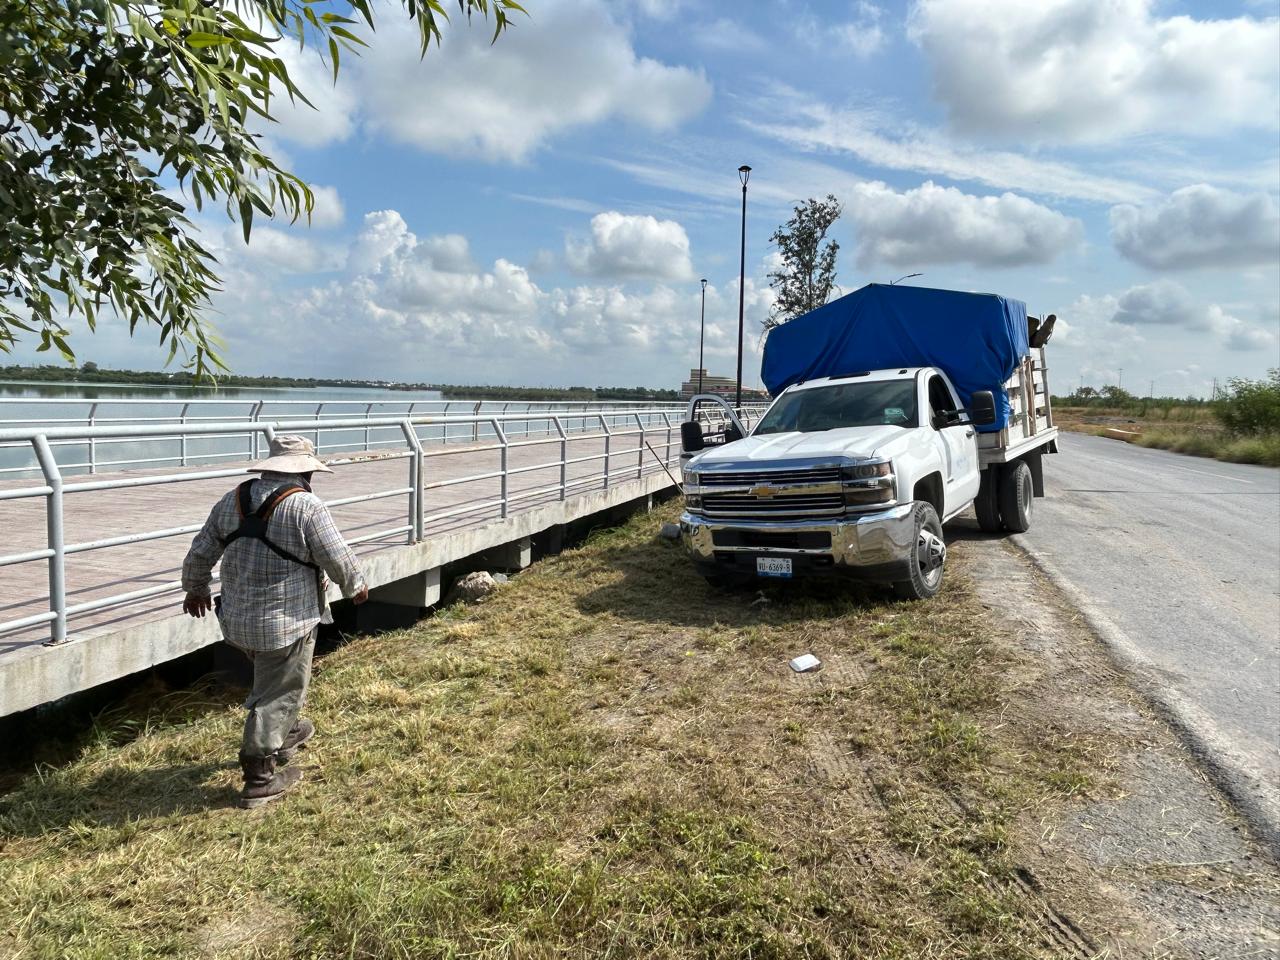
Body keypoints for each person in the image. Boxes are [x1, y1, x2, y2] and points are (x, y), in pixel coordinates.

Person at [181, 435, 369, 809]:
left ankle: (285, 730)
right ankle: (260, 777)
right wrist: (357, 586)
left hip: (236, 620)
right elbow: (336, 556)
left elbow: (201, 549)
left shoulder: (233, 499)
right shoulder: (306, 507)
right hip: (285, 622)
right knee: (279, 692)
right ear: (305, 472)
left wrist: (195, 589)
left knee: (272, 681)